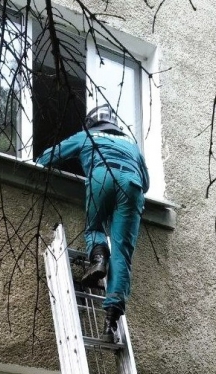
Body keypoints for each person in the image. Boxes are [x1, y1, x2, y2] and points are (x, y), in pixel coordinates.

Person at [36, 104, 150, 343]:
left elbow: (48, 157)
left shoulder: (86, 136)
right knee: (122, 253)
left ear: (92, 124)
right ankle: (111, 321)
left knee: (95, 227)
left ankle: (98, 258)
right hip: (132, 185)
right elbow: (146, 183)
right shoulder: (132, 145)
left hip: (101, 177)